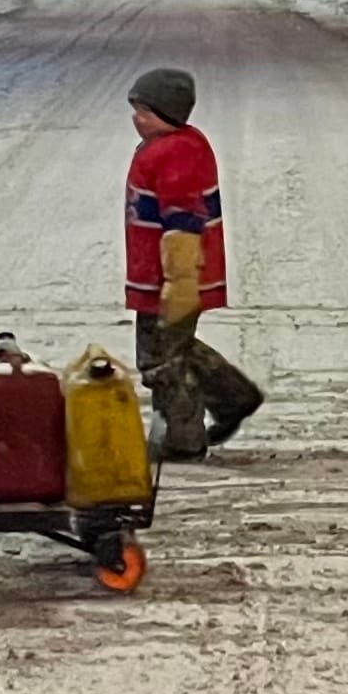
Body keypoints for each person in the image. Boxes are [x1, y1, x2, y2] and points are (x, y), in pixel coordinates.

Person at [124, 68, 262, 459]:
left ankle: (183, 439)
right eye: (135, 111)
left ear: (169, 115)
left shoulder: (177, 152)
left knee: (160, 359)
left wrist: (180, 281)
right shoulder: (169, 145)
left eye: (145, 113)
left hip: (173, 277)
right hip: (160, 274)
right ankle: (234, 396)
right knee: (175, 347)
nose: (137, 119)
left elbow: (184, 219)